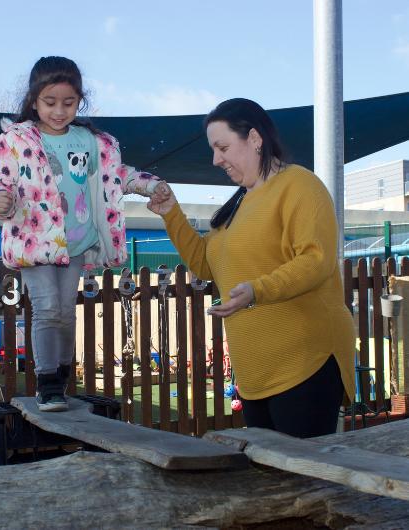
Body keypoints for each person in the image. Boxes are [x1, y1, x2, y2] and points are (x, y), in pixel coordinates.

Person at [147, 98, 356, 438]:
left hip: (305, 363)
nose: (216, 160)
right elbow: (204, 264)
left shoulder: (300, 185)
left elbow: (315, 260)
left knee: (305, 483)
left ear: (255, 139)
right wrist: (171, 213)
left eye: (223, 147)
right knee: (269, 482)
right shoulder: (239, 202)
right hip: (255, 374)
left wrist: (257, 290)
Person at [0, 56, 167, 412]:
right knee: (47, 307)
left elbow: (118, 175)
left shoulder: (92, 142)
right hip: (34, 241)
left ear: (79, 100)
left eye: (68, 103)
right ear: (34, 100)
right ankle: (47, 382)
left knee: (66, 311)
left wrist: (150, 185)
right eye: (50, 102)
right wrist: (0, 201)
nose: (59, 111)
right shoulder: (18, 140)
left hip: (77, 240)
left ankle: (62, 377)